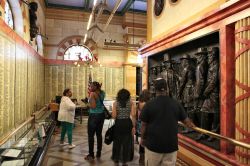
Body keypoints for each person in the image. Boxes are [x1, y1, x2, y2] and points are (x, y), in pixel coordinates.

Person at [140, 78, 195, 166]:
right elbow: (188, 122)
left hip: (153, 146)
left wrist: (142, 138)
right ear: (167, 89)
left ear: (155, 89)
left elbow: (143, 125)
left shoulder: (149, 105)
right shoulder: (176, 104)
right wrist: (194, 127)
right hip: (171, 147)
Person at [198, 47, 220, 141]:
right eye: (207, 55)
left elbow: (213, 81)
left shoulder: (216, 65)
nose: (208, 56)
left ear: (214, 55)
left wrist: (205, 92)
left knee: (215, 113)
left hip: (213, 93)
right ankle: (204, 132)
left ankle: (214, 134)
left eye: (209, 55)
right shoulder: (211, 65)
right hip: (209, 93)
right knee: (204, 111)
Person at [111, 89, 136, 166]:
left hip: (118, 123)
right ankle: (124, 161)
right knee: (126, 143)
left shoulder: (115, 103)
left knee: (117, 142)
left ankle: (116, 159)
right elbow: (133, 115)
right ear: (128, 96)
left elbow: (114, 116)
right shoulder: (131, 103)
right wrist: (133, 127)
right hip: (127, 123)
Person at [85, 81, 105, 160]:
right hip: (101, 115)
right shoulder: (103, 93)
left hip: (94, 116)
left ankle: (91, 154)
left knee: (91, 136)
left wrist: (87, 103)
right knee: (99, 134)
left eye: (91, 86)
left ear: (95, 87)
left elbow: (93, 106)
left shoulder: (93, 94)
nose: (90, 87)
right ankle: (98, 153)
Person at [136, 89, 151, 164]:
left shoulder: (139, 102)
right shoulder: (147, 103)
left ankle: (141, 154)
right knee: (145, 137)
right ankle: (145, 153)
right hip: (145, 122)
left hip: (140, 122)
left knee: (142, 138)